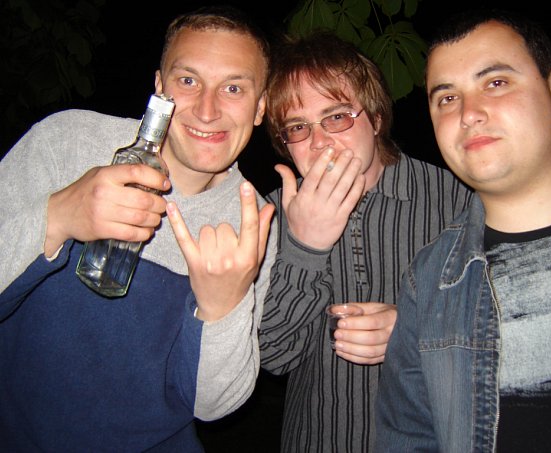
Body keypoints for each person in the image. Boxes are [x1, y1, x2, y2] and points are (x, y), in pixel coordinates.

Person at [0, 6, 277, 451]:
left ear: (260, 107)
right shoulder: (68, 142)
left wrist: (222, 308)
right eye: (188, 81)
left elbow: (213, 405)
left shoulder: (253, 219)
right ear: (159, 87)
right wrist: (59, 216)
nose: (207, 110)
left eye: (233, 88)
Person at [375, 8, 551, 452]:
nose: (469, 114)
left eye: (496, 83)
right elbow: (407, 438)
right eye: (447, 98)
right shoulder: (428, 279)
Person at [257, 31, 473, 453]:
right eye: (298, 127)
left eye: (337, 117)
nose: (319, 142)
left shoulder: (457, 201)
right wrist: (304, 246)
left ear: (374, 118)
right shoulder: (268, 215)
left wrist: (414, 333)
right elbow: (272, 356)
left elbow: (505, 327)